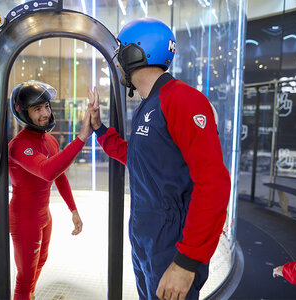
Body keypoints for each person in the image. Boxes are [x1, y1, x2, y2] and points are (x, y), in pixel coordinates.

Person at [87, 18, 231, 300]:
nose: (117, 63)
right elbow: (140, 158)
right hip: (146, 237)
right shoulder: (148, 104)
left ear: (133, 54)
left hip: (172, 246)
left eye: (120, 53)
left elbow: (214, 184)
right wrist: (100, 130)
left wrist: (187, 262)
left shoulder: (182, 100)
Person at [8, 80, 92, 300]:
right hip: (25, 218)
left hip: (44, 216)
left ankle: (31, 296)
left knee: (41, 262)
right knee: (24, 279)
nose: (45, 113)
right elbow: (47, 171)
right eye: (37, 109)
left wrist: (73, 209)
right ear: (24, 114)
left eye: (46, 106)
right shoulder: (18, 146)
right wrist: (81, 137)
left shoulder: (50, 140)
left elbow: (59, 176)